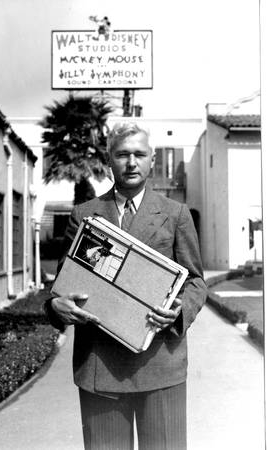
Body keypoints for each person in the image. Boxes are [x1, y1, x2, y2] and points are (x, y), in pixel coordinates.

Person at [45, 122, 207, 450]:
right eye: (122, 154)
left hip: (161, 367)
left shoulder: (176, 214)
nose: (131, 162)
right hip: (99, 369)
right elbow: (63, 285)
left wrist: (179, 311)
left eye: (139, 154)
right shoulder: (84, 215)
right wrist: (54, 306)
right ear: (109, 160)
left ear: (152, 159)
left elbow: (195, 281)